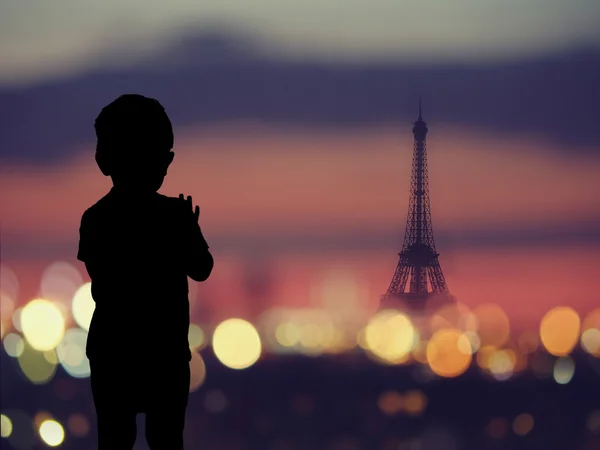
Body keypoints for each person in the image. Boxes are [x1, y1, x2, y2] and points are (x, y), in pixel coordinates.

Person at [77, 94, 214, 449]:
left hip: (114, 353)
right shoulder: (173, 217)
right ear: (162, 160)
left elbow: (104, 277)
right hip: (163, 354)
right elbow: (202, 268)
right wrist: (186, 233)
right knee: (166, 439)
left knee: (115, 438)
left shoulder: (96, 218)